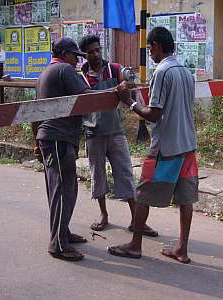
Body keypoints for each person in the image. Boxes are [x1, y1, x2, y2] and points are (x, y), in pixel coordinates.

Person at [108, 27, 199, 263]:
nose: (150, 53)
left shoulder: (162, 72)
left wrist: (128, 101)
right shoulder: (186, 72)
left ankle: (135, 245)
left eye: (150, 48)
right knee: (185, 199)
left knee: (142, 193)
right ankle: (182, 249)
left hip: (165, 147)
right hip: (187, 144)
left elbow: (154, 114)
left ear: (157, 46)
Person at [78, 34, 157, 237]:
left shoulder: (114, 69)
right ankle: (104, 215)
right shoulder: (82, 77)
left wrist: (127, 82)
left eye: (97, 50)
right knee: (98, 176)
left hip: (116, 131)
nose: (95, 54)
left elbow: (128, 78)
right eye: (90, 52)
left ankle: (136, 220)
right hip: (93, 133)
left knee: (125, 174)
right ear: (84, 55)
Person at [33, 38, 91, 262]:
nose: (77, 60)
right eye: (75, 55)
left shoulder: (44, 74)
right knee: (63, 189)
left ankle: (62, 231)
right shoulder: (65, 70)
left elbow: (33, 112)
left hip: (49, 137)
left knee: (61, 188)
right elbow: (87, 96)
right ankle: (58, 243)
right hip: (58, 137)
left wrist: (36, 141)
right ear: (65, 54)